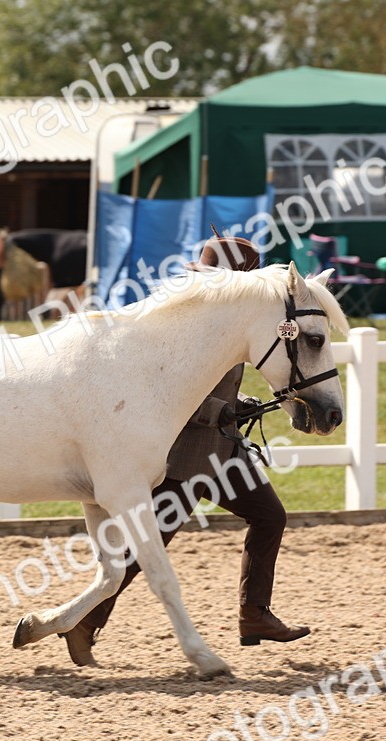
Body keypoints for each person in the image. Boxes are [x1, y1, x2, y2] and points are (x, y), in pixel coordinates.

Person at [60, 235, 311, 667]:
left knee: (270, 517)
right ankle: (83, 621)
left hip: (223, 452)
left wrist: (238, 406)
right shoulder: (189, 323)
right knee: (146, 547)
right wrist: (218, 412)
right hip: (186, 456)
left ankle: (254, 615)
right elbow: (171, 388)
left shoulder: (230, 320)